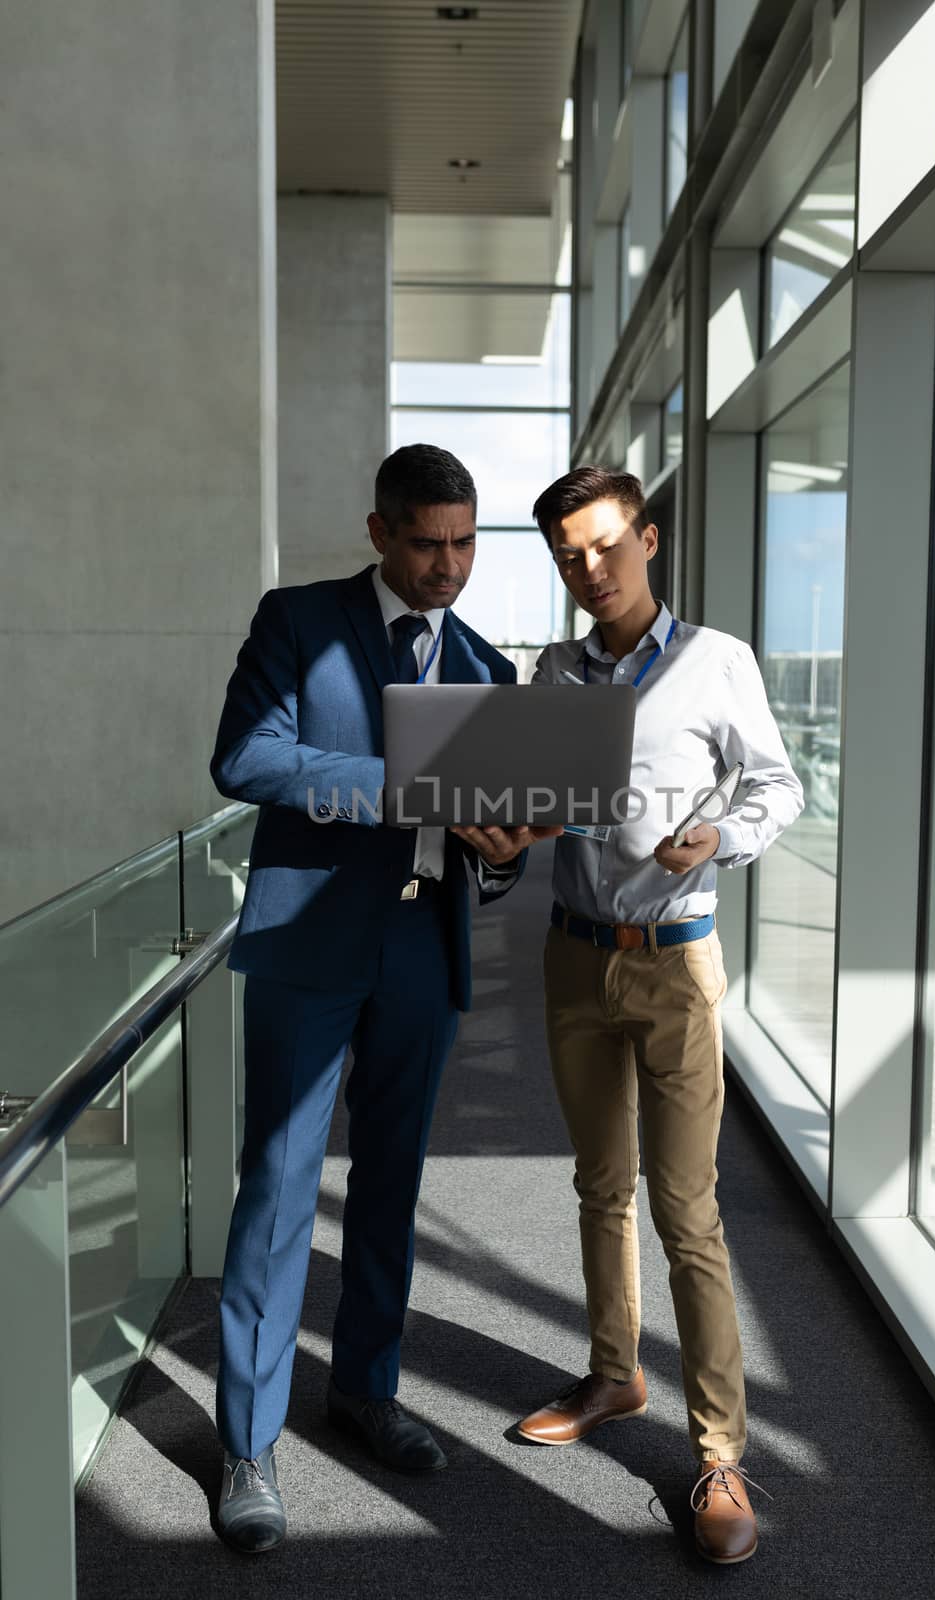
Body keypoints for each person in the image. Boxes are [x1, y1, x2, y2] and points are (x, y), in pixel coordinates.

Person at [209, 444, 551, 1553]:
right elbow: (247, 759)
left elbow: (488, 846)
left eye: (462, 544)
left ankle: (364, 1388)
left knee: (393, 1180)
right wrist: (415, 785)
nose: (445, 565)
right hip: (310, 946)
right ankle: (247, 1442)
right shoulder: (298, 621)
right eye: (424, 543)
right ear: (377, 531)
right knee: (276, 1186)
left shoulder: (492, 670)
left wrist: (500, 848)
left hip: (420, 950)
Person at [513, 465, 803, 1565]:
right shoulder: (551, 672)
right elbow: (540, 800)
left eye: (603, 545)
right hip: (572, 958)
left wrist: (714, 838)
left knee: (687, 1209)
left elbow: (776, 787)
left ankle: (720, 1449)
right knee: (597, 1186)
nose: (589, 569)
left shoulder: (713, 661)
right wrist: (516, 826)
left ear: (644, 536)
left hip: (675, 963)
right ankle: (613, 1372)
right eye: (567, 555)